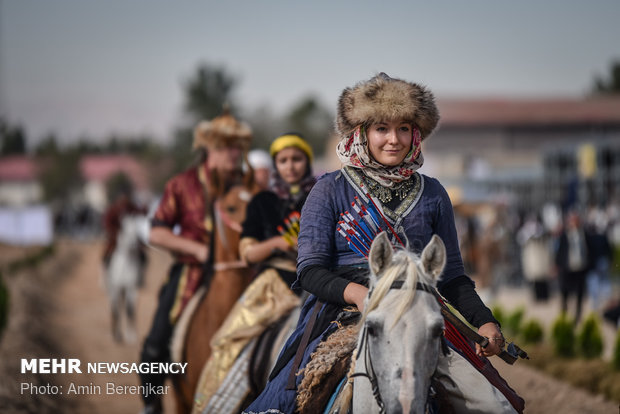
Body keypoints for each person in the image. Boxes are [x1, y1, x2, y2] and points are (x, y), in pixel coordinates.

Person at [244, 73, 518, 413]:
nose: (394, 139)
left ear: (416, 133)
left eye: (404, 128)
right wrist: (363, 296)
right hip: (341, 310)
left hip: (419, 314)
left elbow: (452, 277)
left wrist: (485, 321)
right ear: (361, 133)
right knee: (286, 401)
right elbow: (311, 271)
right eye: (381, 129)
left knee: (495, 405)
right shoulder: (328, 189)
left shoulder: (433, 193)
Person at [139, 108, 252, 414]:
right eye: (227, 147)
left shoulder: (246, 185)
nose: (234, 154)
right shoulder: (182, 184)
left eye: (238, 148)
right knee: (155, 342)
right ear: (210, 148)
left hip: (245, 272)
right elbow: (156, 232)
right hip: (191, 273)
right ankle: (151, 406)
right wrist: (199, 250)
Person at [192, 133, 316, 412]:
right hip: (274, 286)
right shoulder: (263, 202)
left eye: (297, 159)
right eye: (283, 161)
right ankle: (210, 406)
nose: (290, 166)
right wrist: (279, 242)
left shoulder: (322, 196)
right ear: (276, 167)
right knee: (229, 342)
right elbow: (247, 254)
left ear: (307, 162)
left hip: (318, 283)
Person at [102, 184, 147, 284]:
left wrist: (145, 207)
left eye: (126, 196)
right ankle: (105, 276)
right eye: (122, 196)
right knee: (107, 254)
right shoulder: (113, 209)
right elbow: (107, 223)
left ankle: (141, 277)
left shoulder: (132, 207)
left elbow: (142, 213)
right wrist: (114, 234)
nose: (124, 198)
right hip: (116, 238)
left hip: (132, 239)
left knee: (143, 255)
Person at [554, 210, 593, 324]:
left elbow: (589, 249)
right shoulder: (564, 235)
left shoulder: (584, 234)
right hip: (567, 268)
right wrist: (557, 265)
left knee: (580, 293)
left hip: (580, 268)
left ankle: (578, 316)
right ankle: (564, 314)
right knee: (564, 292)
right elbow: (559, 251)